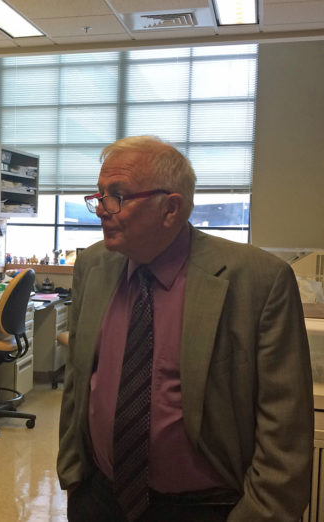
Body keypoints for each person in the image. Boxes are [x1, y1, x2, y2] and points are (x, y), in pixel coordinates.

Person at [58, 136, 313, 521]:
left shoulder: (259, 282)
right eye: (99, 195)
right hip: (100, 499)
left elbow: (286, 430)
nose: (102, 210)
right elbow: (79, 380)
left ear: (170, 208)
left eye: (118, 196)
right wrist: (74, 476)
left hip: (205, 508)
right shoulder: (95, 265)